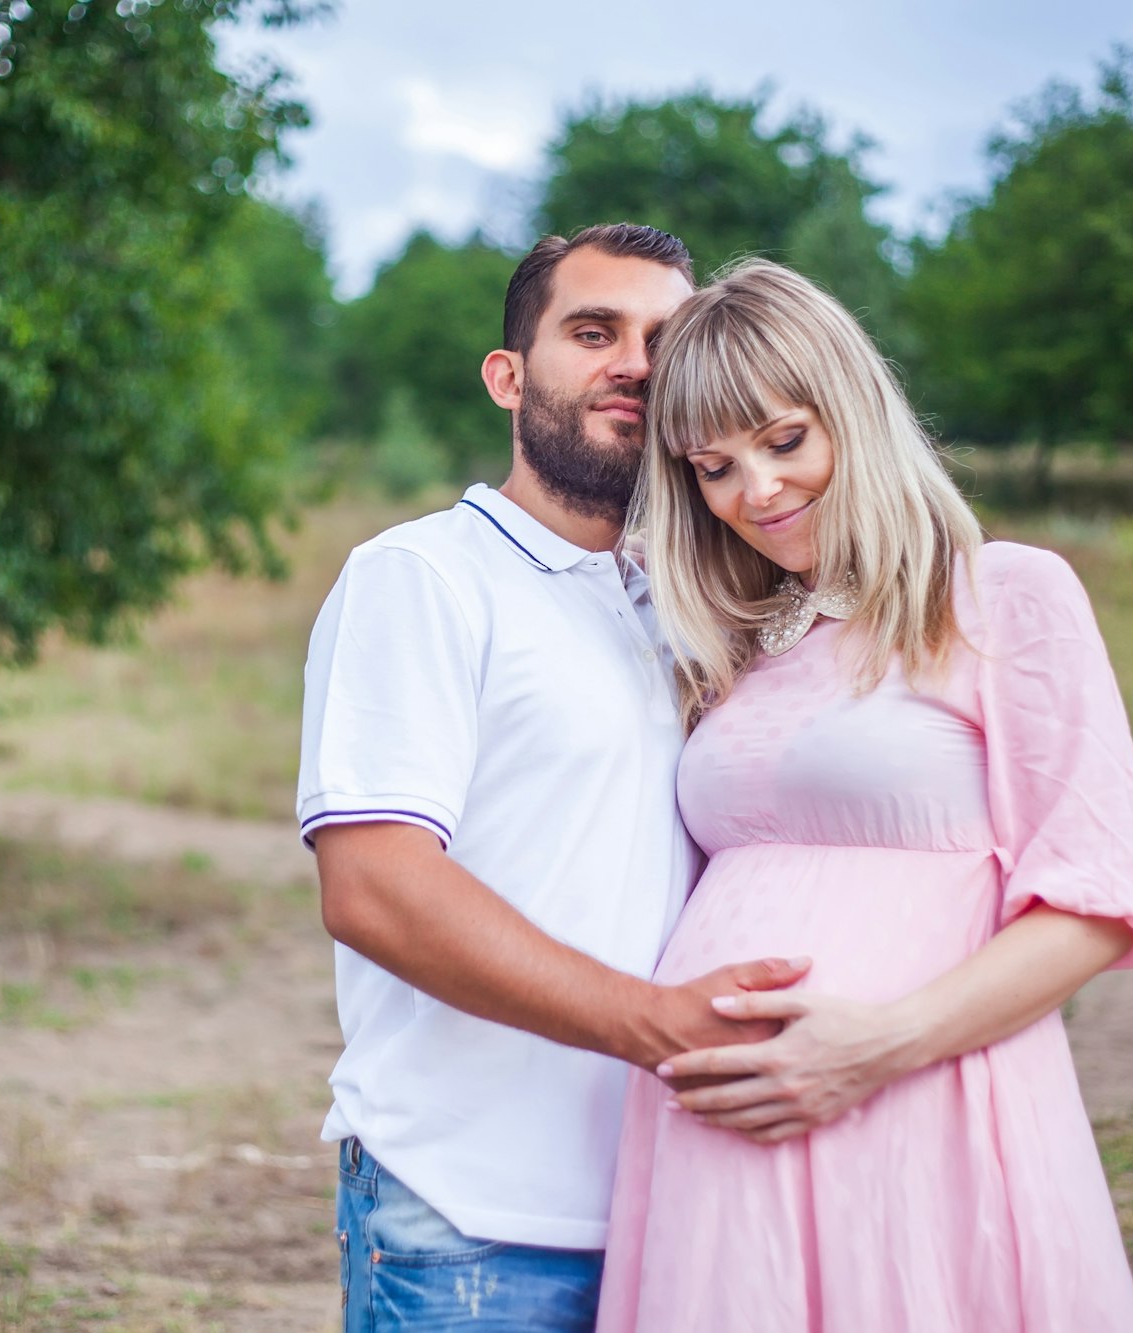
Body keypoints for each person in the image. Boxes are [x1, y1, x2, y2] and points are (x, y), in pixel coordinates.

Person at [596, 259, 1133, 1332]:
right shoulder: (734, 651)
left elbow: (1097, 900)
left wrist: (876, 1043)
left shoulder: (1000, 594)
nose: (754, 493)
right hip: (711, 1153)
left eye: (783, 441)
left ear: (851, 414)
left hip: (916, 1106)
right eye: (712, 467)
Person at [296, 225, 808, 1331]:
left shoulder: (703, 606)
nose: (632, 362)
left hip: (689, 1201)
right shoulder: (423, 576)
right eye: (591, 331)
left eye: (662, 339)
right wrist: (652, 1023)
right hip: (473, 1220)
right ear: (507, 375)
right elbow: (372, 886)